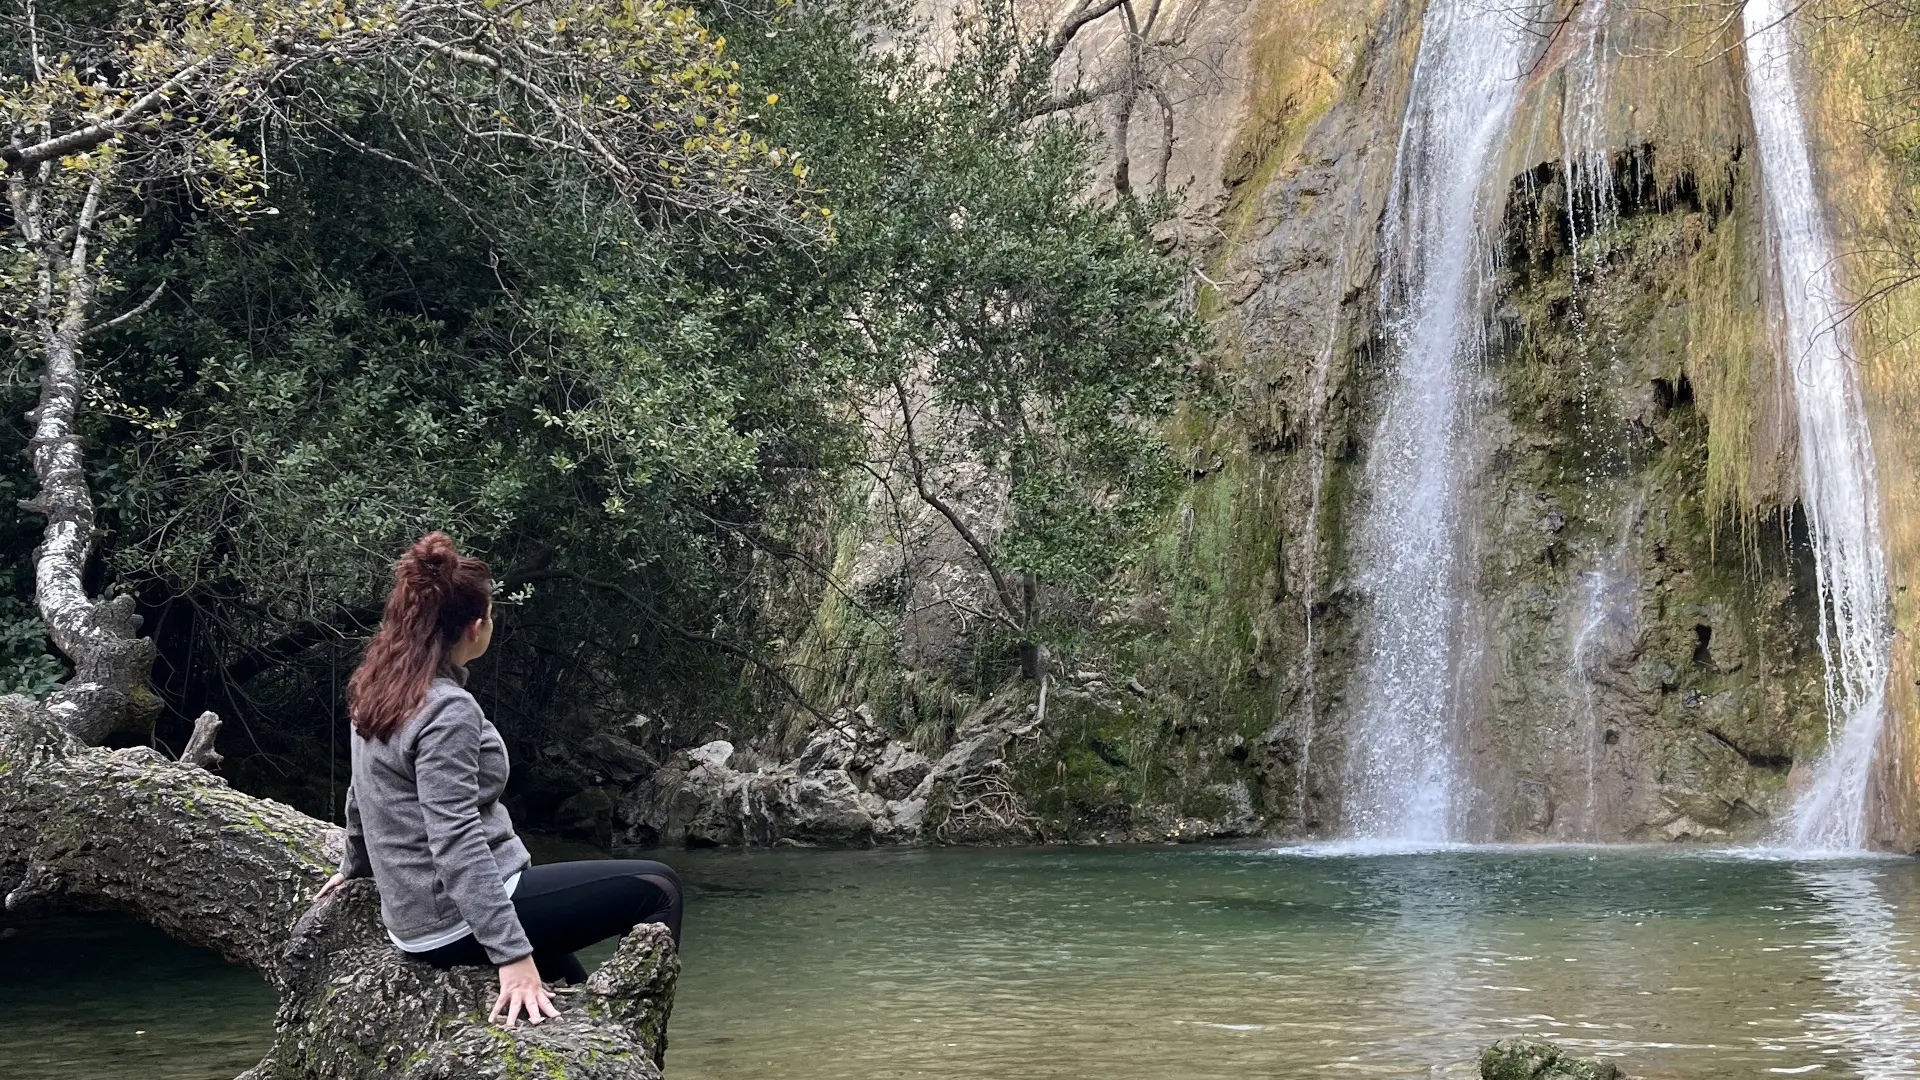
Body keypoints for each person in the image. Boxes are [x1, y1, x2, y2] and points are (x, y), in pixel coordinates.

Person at [315, 531, 682, 1028]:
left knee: (571, 996)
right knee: (659, 885)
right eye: (490, 616)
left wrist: (354, 863)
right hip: (455, 920)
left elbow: (364, 788)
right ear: (473, 628)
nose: (492, 624)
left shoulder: (376, 687)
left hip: (416, 920)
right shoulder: (445, 709)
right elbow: (456, 837)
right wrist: (511, 957)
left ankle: (614, 1041)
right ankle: (645, 1034)